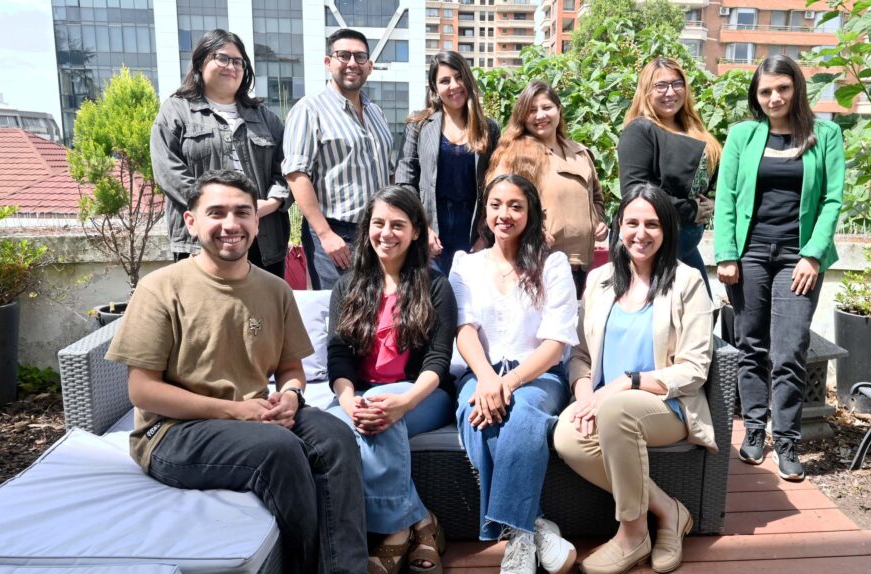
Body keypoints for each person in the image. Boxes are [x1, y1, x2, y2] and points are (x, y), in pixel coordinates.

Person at [104, 169, 367, 574]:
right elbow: (142, 391)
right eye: (217, 213)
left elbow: (289, 368)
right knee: (278, 450)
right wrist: (236, 412)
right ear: (191, 223)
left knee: (335, 436)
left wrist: (292, 396)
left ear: (257, 222)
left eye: (242, 212)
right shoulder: (161, 288)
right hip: (172, 433)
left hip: (255, 417)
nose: (231, 224)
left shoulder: (274, 289)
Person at [553, 184, 716, 574]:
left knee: (618, 411)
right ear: (618, 227)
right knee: (566, 436)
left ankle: (632, 532)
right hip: (606, 402)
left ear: (667, 231)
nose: (640, 233)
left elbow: (694, 369)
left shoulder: (688, 281)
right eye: (632, 223)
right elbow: (579, 354)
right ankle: (669, 510)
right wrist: (583, 395)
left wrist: (624, 384)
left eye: (652, 224)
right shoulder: (600, 280)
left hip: (667, 406)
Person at [713, 55, 844, 481]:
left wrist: (813, 253)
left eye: (782, 89)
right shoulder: (742, 136)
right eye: (766, 90)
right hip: (749, 256)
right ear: (757, 93)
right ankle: (753, 429)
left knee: (789, 351)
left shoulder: (825, 134)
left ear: (796, 89)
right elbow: (727, 197)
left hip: (798, 257)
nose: (774, 97)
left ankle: (786, 439)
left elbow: (832, 200)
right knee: (752, 346)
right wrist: (727, 254)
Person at [449, 174, 579, 574]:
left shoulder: (552, 264)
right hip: (479, 371)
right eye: (496, 205)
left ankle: (515, 531)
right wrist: (488, 379)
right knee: (479, 415)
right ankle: (531, 529)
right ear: (485, 211)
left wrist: (508, 383)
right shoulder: (465, 264)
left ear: (531, 213)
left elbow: (555, 342)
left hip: (538, 375)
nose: (504, 214)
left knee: (521, 415)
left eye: (515, 206)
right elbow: (464, 329)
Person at [326, 186, 458, 574]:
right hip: (358, 395)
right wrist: (348, 402)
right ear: (367, 228)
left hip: (422, 396)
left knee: (383, 410)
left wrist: (405, 401)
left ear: (416, 231)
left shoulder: (436, 287)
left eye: (398, 225)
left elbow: (438, 360)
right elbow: (338, 358)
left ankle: (395, 534)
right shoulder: (346, 286)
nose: (387, 233)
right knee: (330, 429)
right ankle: (420, 522)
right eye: (379, 223)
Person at [151, 29, 290, 276]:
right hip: (202, 239)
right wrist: (216, 208)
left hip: (263, 236)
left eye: (238, 61)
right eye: (222, 58)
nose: (231, 67)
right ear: (201, 61)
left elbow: (287, 170)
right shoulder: (177, 111)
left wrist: (270, 203)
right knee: (205, 310)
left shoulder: (265, 117)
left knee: (262, 310)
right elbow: (168, 172)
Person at [283, 28, 392, 290]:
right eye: (343, 55)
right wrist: (324, 234)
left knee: (375, 312)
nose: (352, 63)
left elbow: (388, 173)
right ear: (328, 62)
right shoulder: (309, 110)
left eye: (360, 57)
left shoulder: (376, 112)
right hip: (335, 235)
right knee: (340, 316)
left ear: (370, 66)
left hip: (376, 234)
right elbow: (296, 175)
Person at [488, 81, 607, 295]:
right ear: (523, 117)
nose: (540, 115)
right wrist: (534, 231)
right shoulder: (513, 155)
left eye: (546, 108)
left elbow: (596, 198)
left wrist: (597, 222)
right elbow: (497, 205)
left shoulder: (579, 153)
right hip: (537, 262)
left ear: (559, 110)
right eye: (532, 110)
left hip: (581, 264)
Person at [618, 58, 722, 291]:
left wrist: (712, 202)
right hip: (656, 244)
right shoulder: (641, 129)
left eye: (677, 84)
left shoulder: (694, 129)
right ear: (646, 91)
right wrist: (691, 209)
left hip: (686, 241)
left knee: (701, 313)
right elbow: (636, 193)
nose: (670, 92)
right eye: (661, 86)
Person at [394, 51, 501, 274]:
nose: (454, 85)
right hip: (431, 229)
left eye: (459, 77)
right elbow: (405, 180)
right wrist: (421, 228)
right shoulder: (419, 125)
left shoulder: (488, 129)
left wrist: (486, 236)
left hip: (472, 233)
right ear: (434, 88)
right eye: (444, 80)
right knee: (433, 300)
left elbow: (497, 184)